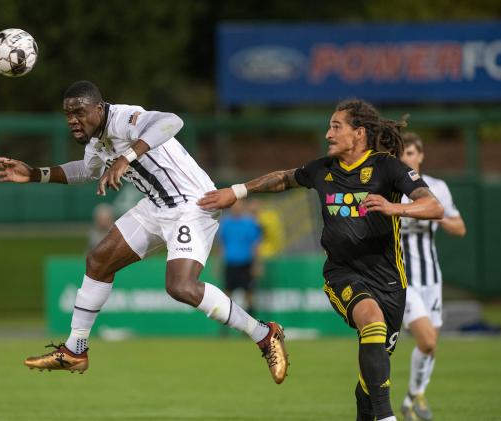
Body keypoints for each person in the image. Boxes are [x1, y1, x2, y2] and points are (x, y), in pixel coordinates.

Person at [0, 80, 288, 384]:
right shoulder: (95, 141)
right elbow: (86, 170)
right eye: (68, 115)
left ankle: (265, 334)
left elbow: (173, 121)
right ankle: (75, 350)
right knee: (98, 260)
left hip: (193, 203)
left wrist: (126, 157)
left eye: (79, 112)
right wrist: (37, 174)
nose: (73, 121)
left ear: (98, 107)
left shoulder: (123, 118)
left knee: (181, 286)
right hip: (156, 206)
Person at [198, 99, 444, 421]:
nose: (328, 133)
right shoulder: (322, 170)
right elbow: (284, 179)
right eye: (329, 126)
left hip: (389, 282)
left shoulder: (388, 168)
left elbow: (433, 206)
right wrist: (238, 191)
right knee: (371, 320)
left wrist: (396, 207)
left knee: (370, 382)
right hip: (343, 275)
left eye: (336, 126)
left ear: (359, 133)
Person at [399, 133, 466, 421]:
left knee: (431, 346)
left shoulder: (437, 188)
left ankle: (413, 397)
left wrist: (432, 213)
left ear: (421, 156)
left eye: (412, 153)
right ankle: (405, 399)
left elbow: (459, 227)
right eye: (402, 154)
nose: (407, 159)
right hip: (403, 278)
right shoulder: (390, 187)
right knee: (426, 341)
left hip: (431, 277)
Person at [217, 199, 263, 317]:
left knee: (249, 296)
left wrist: (256, 265)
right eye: (234, 205)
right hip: (230, 263)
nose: (236, 208)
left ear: (243, 207)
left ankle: (251, 326)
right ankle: (225, 329)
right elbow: (222, 245)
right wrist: (219, 264)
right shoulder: (225, 224)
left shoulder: (250, 223)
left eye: (239, 205)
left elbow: (255, 246)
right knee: (227, 296)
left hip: (245, 264)